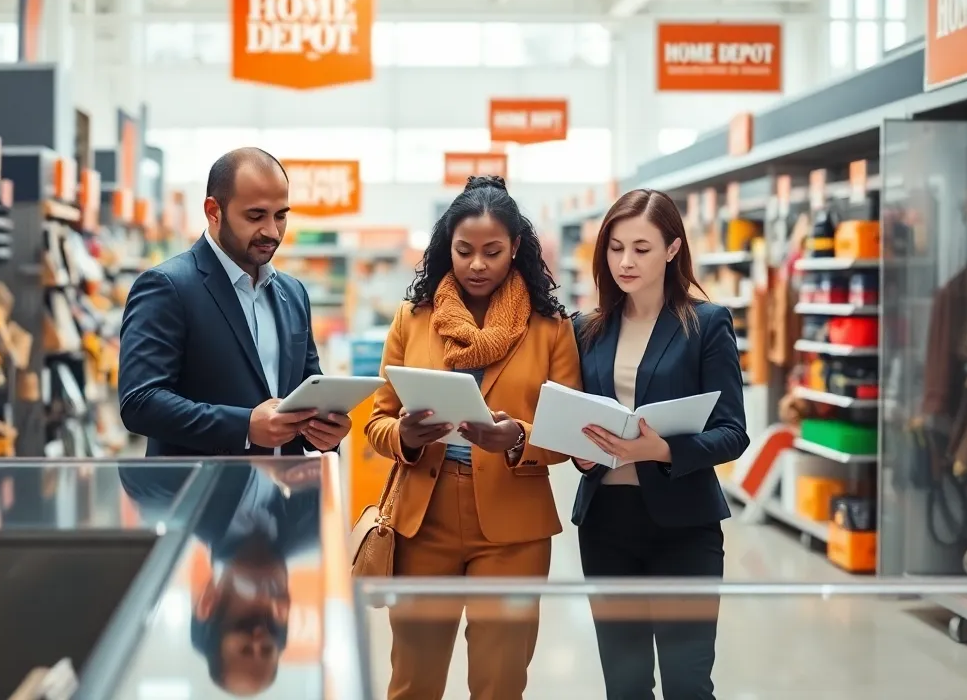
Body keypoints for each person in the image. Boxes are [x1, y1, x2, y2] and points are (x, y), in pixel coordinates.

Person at [364, 175, 581, 700]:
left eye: (492, 251)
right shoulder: (414, 319)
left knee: (500, 683)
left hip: (513, 526)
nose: (477, 264)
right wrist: (407, 437)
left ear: (516, 249)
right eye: (464, 251)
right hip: (423, 520)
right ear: (447, 248)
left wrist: (516, 438)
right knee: (413, 681)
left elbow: (572, 433)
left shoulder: (550, 327)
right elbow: (377, 422)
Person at [570, 188, 748, 700]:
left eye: (642, 249)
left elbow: (732, 432)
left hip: (684, 528)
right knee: (624, 687)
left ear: (672, 249)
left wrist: (662, 451)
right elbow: (578, 416)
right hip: (606, 525)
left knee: (687, 684)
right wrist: (583, 452)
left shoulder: (706, 324)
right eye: (615, 247)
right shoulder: (586, 329)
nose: (625, 261)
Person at [119, 147, 351, 457]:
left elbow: (308, 392)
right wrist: (243, 427)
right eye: (256, 215)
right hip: (199, 497)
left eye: (281, 215)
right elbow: (140, 402)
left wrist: (324, 433)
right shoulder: (168, 286)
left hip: (283, 498)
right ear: (214, 211)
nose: (271, 231)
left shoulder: (293, 293)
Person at [120, 459, 321, 695]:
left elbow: (133, 465)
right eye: (270, 642)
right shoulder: (328, 519)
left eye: (247, 623)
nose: (262, 632)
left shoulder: (170, 494)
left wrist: (255, 449)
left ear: (208, 603)